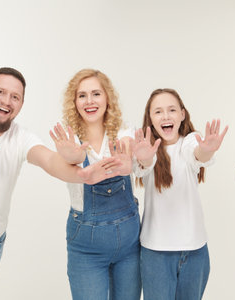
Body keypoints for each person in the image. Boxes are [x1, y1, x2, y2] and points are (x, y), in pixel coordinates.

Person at [0, 67, 122, 300]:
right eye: (0, 91)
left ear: (20, 104)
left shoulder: (20, 137)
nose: (6, 101)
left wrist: (82, 174)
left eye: (15, 97)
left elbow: (49, 160)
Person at [50, 68, 145, 300]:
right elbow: (68, 167)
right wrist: (71, 157)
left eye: (96, 94)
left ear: (107, 98)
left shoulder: (123, 131)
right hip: (86, 247)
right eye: (82, 95)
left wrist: (125, 158)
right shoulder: (69, 141)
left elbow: (126, 144)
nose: (89, 101)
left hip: (129, 243)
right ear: (74, 102)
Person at [134, 88, 228, 300]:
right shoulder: (145, 148)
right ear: (150, 117)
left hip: (194, 252)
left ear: (182, 114)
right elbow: (145, 165)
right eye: (158, 111)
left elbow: (198, 154)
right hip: (155, 253)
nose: (165, 116)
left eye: (172, 110)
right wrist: (145, 158)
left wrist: (208, 149)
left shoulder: (190, 141)